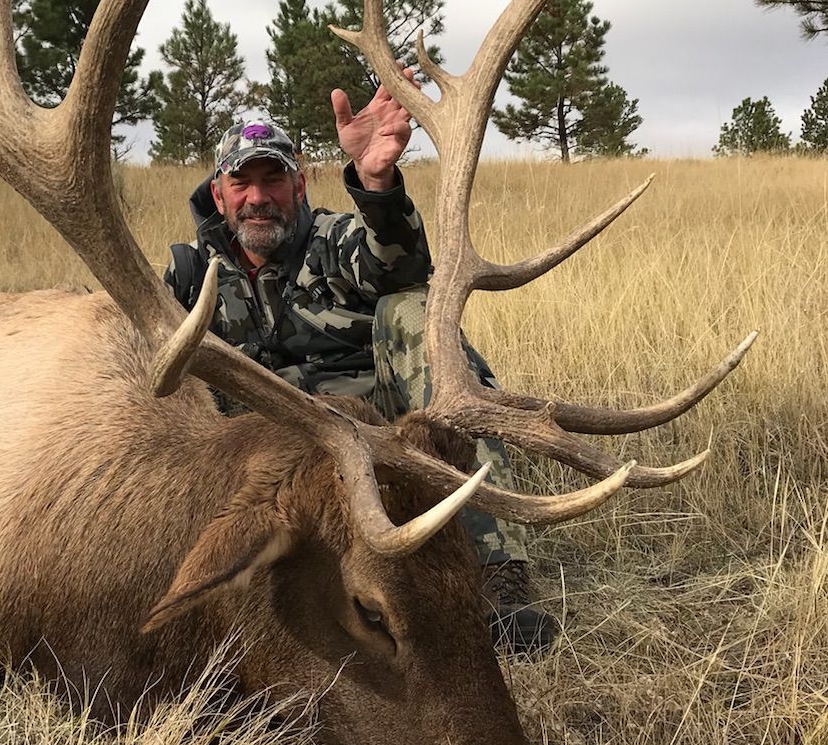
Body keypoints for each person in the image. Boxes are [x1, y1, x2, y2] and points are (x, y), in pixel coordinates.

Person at [163, 75, 556, 655]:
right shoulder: (190, 275)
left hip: (376, 437)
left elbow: (396, 263)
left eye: (273, 178)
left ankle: (500, 574)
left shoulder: (335, 240)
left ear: (299, 185)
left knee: (413, 311)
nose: (257, 196)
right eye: (240, 182)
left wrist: (376, 184)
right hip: (254, 458)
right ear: (217, 195)